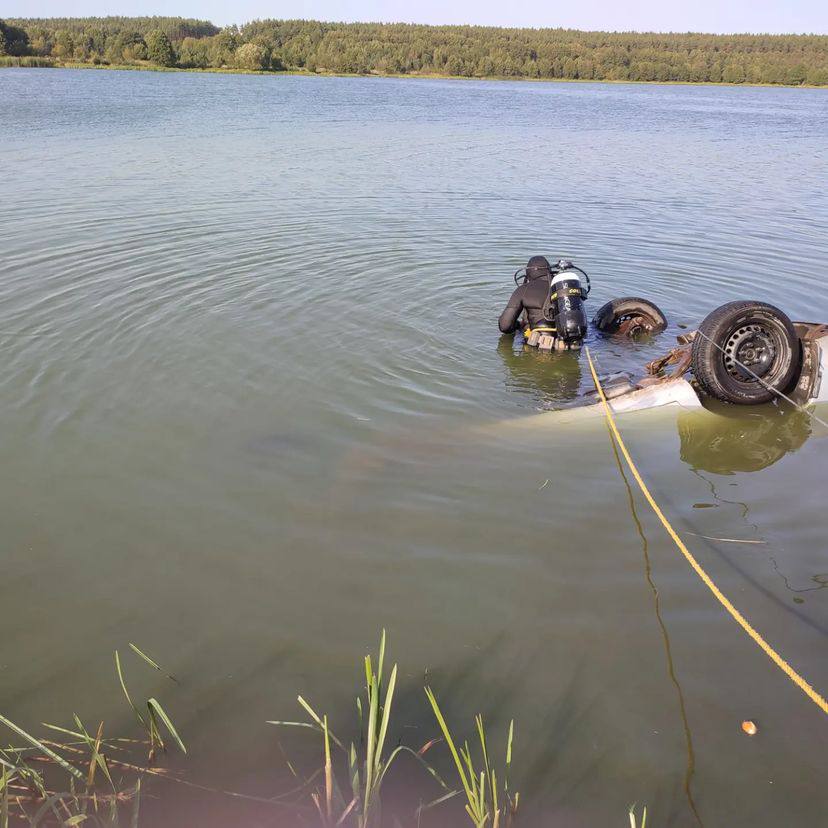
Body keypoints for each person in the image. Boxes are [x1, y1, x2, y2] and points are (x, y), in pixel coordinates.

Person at [498, 255, 556, 336]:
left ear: (528, 272)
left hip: (537, 342)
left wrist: (517, 326)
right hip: (570, 339)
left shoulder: (523, 289)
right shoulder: (562, 287)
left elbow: (505, 326)